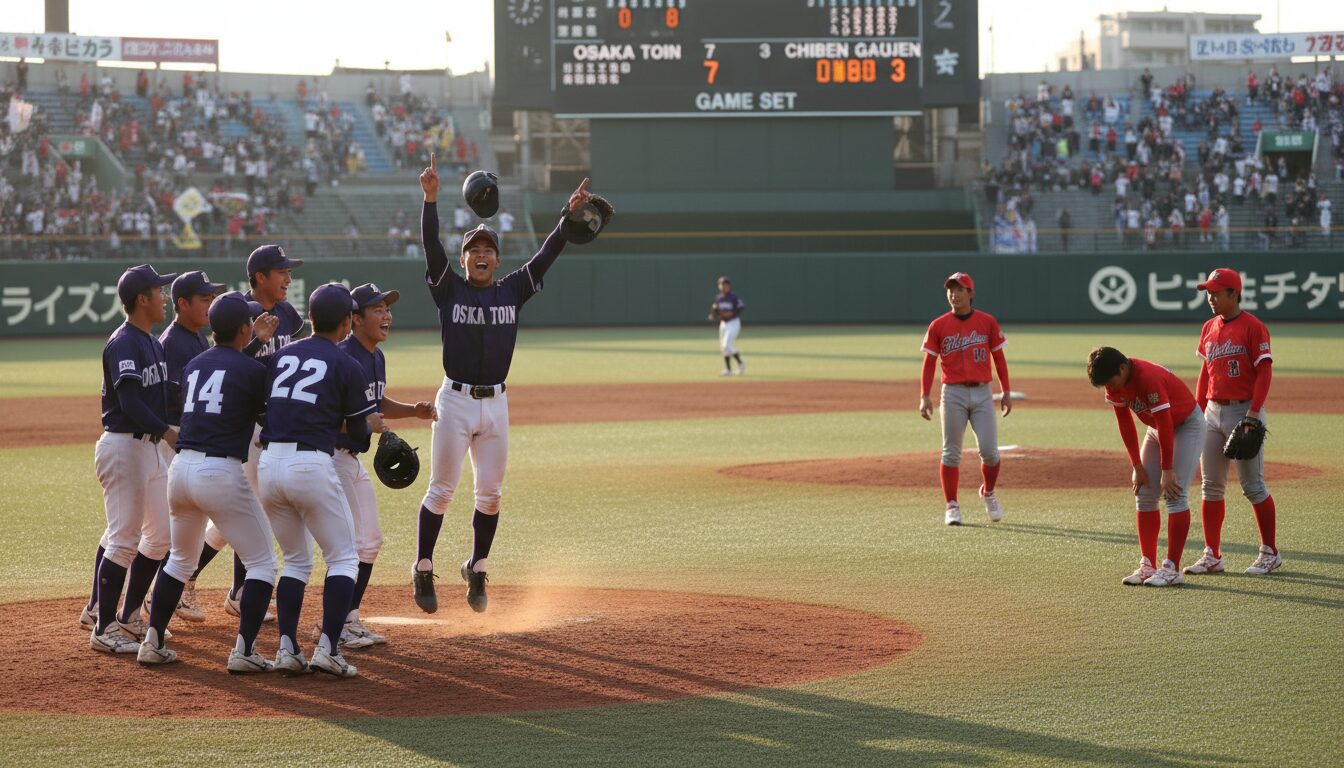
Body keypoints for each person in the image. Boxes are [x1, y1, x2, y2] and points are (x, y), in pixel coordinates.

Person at [411, 152, 594, 614]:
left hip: (495, 405)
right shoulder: (448, 287)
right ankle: (424, 567)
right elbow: (432, 248)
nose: (481, 255)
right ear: (464, 259)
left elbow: (546, 256)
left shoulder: (511, 289)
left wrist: (566, 219)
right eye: (474, 250)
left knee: (490, 496)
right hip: (453, 401)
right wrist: (430, 200)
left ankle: (477, 566)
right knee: (442, 490)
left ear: (496, 259)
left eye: (488, 249)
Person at [136, 292, 279, 672]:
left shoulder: (195, 364)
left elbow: (229, 371)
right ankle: (245, 651)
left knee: (180, 561)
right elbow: (262, 404)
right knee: (263, 564)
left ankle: (152, 640)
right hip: (220, 473)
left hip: (180, 470)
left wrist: (255, 345)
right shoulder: (253, 371)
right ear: (246, 328)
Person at [258, 283, 378, 677]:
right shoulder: (348, 364)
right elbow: (360, 436)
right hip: (311, 464)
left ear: (309, 317)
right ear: (347, 323)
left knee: (294, 561)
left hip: (269, 464)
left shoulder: (281, 355)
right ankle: (328, 647)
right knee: (343, 557)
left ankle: (287, 648)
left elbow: (264, 412)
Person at [190, 245, 295, 619]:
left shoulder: (285, 312)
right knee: (253, 511)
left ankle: (196, 579)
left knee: (235, 519)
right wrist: (258, 341)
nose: (288, 278)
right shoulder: (241, 312)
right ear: (261, 277)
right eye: (281, 271)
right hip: (248, 426)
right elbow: (229, 366)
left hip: (274, 425)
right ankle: (236, 592)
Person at [331, 284, 437, 647]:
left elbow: (375, 402)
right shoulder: (342, 358)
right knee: (350, 545)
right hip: (329, 459)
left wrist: (412, 411)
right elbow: (327, 416)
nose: (387, 315)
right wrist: (363, 425)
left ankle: (350, 618)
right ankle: (337, 626)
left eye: (387, 308)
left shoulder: (375, 357)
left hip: (350, 460)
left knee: (370, 541)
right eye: (377, 309)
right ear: (355, 319)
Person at [87, 265, 179, 653]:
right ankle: (103, 628)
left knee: (159, 536)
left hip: (148, 448)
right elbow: (130, 400)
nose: (165, 297)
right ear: (142, 299)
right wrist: (169, 431)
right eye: (160, 291)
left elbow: (163, 393)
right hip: (125, 446)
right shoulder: (125, 342)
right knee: (124, 538)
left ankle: (127, 618)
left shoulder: (150, 340)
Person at [1185, 269, 1281, 576]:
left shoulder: (1253, 327)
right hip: (1213, 412)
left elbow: (1264, 372)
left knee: (1253, 485)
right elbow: (1205, 373)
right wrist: (1196, 412)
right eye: (1208, 293)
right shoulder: (1208, 327)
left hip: (1244, 414)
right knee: (1211, 487)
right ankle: (1212, 554)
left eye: (1216, 293)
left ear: (1233, 294)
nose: (1210, 298)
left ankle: (1270, 552)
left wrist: (1254, 413)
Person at [1087, 346, 1205, 587]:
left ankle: (1171, 568)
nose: (1113, 388)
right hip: (1156, 428)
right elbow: (1125, 422)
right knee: (1143, 492)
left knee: (1175, 494)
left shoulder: (1148, 377)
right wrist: (1137, 465)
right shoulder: (1114, 380)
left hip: (1185, 426)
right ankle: (1147, 565)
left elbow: (1165, 422)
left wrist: (1167, 468)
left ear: (1123, 367)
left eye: (1112, 381)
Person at [151, 270, 227, 623]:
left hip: (191, 437)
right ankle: (158, 596)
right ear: (182, 303)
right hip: (176, 437)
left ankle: (173, 591)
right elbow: (174, 397)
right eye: (204, 299)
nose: (210, 305)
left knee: (191, 524)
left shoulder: (197, 338)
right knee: (170, 529)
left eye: (212, 299)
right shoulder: (173, 342)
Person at [918, 272, 1012, 526]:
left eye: (960, 289)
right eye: (951, 289)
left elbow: (999, 359)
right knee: (950, 453)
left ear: (971, 294)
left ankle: (988, 492)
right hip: (953, 394)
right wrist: (925, 395)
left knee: (990, 453)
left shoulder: (987, 322)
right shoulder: (938, 325)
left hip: (982, 393)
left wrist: (1006, 391)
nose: (954, 293)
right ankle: (952, 505)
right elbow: (929, 363)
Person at [709, 276, 745, 376]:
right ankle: (728, 370)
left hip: (733, 322)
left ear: (729, 286)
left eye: (725, 285)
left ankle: (741, 363)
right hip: (723, 324)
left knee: (726, 345)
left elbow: (741, 307)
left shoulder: (733, 297)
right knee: (723, 347)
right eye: (721, 285)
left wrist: (732, 313)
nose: (723, 287)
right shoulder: (719, 298)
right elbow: (715, 310)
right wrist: (713, 314)